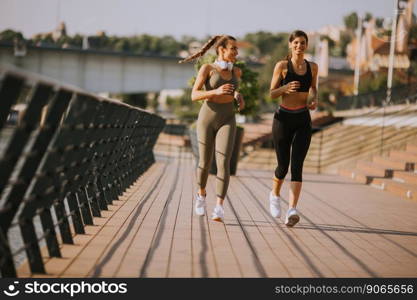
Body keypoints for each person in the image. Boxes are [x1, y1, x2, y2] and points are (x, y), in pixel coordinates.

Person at [179, 35, 245, 222]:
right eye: (233, 48)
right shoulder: (207, 69)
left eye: (237, 49)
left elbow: (234, 90)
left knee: (224, 162)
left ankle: (219, 207)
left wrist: (238, 96)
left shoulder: (237, 72)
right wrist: (215, 92)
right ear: (221, 50)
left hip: (228, 118)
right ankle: (201, 195)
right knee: (205, 163)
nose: (236, 52)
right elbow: (194, 94)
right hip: (207, 119)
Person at [268, 30, 318, 227]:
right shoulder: (282, 66)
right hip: (283, 119)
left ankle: (292, 209)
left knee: (297, 166)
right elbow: (272, 93)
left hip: (303, 120)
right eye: (296, 42)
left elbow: (313, 89)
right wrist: (285, 88)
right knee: (283, 166)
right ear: (290, 45)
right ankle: (274, 194)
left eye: (303, 42)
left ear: (306, 45)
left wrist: (314, 100)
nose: (300, 46)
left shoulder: (313, 67)